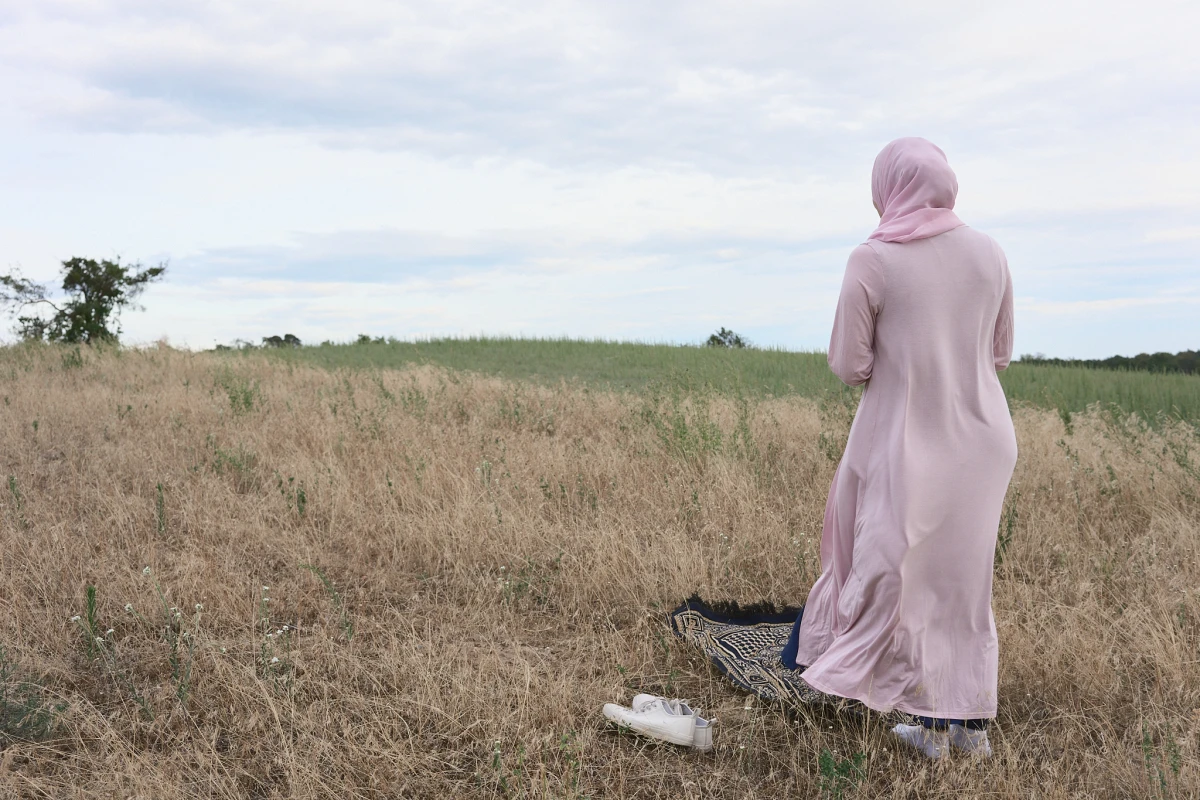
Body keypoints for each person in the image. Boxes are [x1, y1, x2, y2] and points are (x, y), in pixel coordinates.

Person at [783, 137, 1017, 759]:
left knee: (889, 571)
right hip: (984, 440)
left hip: (906, 437)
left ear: (888, 187)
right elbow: (999, 354)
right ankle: (963, 724)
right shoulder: (990, 253)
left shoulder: (873, 258)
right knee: (961, 584)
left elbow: (848, 364)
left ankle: (920, 713)